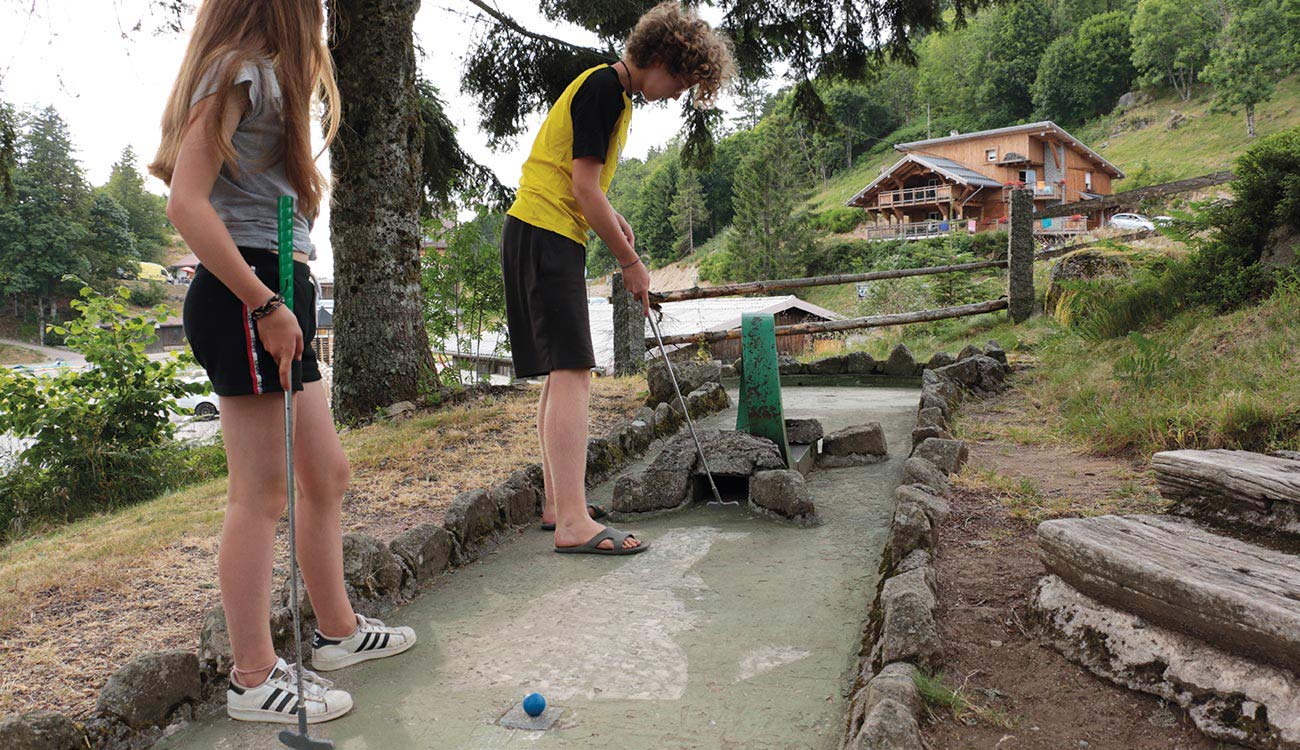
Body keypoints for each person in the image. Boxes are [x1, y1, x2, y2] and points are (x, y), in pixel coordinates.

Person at [149, 0, 414, 725]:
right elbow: (185, 202)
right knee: (260, 495)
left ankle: (337, 633)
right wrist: (265, 303)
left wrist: (280, 297)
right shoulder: (237, 69)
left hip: (281, 285)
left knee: (325, 472)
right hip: (249, 291)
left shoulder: (271, 74)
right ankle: (252, 676)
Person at [500, 1, 734, 555]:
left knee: (564, 372)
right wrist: (631, 263)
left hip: (542, 230)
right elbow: (583, 188)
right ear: (659, 57)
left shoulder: (612, 94)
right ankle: (574, 524)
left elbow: (587, 187)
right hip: (546, 231)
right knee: (576, 370)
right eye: (680, 79)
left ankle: (560, 503)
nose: (679, 94)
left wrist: (614, 220)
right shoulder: (605, 89)